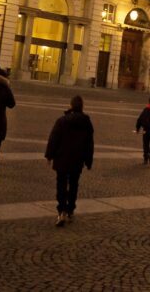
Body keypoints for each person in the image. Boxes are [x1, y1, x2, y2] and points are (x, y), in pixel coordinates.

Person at [45, 95, 94, 227]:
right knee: (73, 184)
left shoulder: (62, 120)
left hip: (62, 158)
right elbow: (89, 144)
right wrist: (89, 161)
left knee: (61, 184)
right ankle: (70, 209)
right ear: (82, 106)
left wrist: (49, 155)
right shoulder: (86, 122)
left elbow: (54, 138)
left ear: (71, 105)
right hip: (77, 159)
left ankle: (61, 210)